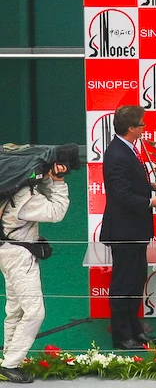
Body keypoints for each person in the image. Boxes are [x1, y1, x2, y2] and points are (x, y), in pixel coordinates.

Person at [100, 104, 156, 350]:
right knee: (124, 282)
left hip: (135, 229)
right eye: (142, 124)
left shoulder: (127, 149)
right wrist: (151, 201)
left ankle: (135, 329)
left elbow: (131, 183)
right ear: (131, 128)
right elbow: (121, 195)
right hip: (124, 231)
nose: (144, 128)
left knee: (136, 279)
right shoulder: (117, 154)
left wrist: (152, 186)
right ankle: (121, 335)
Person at [0, 162, 69, 382]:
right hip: (20, 257)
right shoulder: (25, 198)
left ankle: (8, 358)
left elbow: (41, 194)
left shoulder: (9, 191)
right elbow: (56, 212)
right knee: (34, 312)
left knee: (15, 310)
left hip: (7, 252)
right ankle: (10, 364)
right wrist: (59, 182)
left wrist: (47, 179)